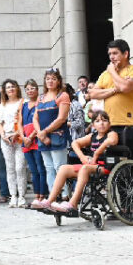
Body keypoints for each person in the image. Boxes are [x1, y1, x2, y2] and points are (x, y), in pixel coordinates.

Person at [32, 111, 117, 213]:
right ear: (93, 125)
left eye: (104, 120)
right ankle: (49, 201)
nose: (101, 123)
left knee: (84, 168)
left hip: (105, 167)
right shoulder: (92, 136)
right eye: (97, 121)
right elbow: (75, 143)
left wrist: (97, 153)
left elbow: (112, 141)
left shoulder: (111, 133)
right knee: (63, 168)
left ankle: (73, 204)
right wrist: (82, 157)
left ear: (109, 124)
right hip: (90, 166)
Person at [88, 39, 133, 165]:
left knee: (132, 164)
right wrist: (115, 89)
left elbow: (125, 87)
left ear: (125, 54)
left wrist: (112, 72)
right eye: (110, 54)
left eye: (115, 53)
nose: (111, 57)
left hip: (130, 125)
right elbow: (92, 94)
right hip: (110, 125)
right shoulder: (105, 75)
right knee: (112, 165)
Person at [33, 69, 70, 197]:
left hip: (57, 135)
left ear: (58, 81)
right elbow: (35, 118)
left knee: (59, 167)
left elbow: (61, 119)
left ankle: (64, 195)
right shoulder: (40, 98)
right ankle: (53, 195)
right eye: (48, 78)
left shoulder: (63, 96)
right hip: (42, 137)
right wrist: (40, 134)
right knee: (48, 167)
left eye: (54, 79)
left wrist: (44, 132)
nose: (50, 81)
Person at [0, 79, 27, 207]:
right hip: (6, 139)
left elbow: (26, 122)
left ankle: (22, 196)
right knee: (10, 168)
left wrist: (17, 134)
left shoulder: (24, 102)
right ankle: (13, 196)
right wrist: (3, 136)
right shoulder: (2, 105)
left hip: (19, 137)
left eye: (13, 86)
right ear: (5, 91)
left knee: (20, 167)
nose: (11, 89)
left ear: (17, 88)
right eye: (8, 87)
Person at [20, 79, 48, 202]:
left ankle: (43, 194)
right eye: (27, 89)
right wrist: (23, 137)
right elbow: (19, 123)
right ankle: (37, 194)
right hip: (25, 141)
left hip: (36, 140)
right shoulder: (24, 105)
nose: (30, 91)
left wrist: (31, 137)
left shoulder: (41, 103)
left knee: (41, 168)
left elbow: (41, 122)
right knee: (33, 169)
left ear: (37, 89)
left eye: (32, 88)